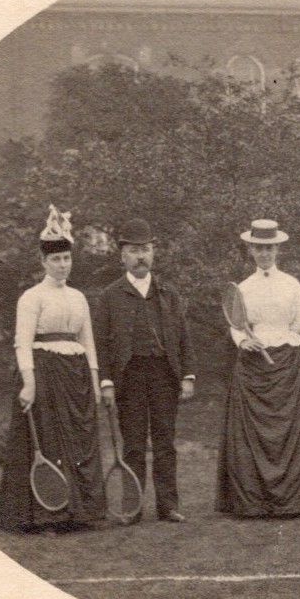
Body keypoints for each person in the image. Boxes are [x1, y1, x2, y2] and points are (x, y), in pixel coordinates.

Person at [0, 205, 106, 533]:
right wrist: (28, 384)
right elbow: (22, 343)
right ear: (43, 262)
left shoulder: (79, 297)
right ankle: (47, 516)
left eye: (66, 259)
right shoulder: (31, 298)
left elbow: (88, 341)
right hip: (45, 375)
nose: (62, 265)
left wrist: (96, 380)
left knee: (80, 443)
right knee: (49, 443)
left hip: (77, 378)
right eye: (55, 260)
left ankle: (81, 513)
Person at [215, 219, 300, 518]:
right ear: (251, 250)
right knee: (250, 435)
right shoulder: (243, 288)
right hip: (252, 366)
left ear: (278, 248)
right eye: (258, 248)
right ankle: (254, 501)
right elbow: (237, 326)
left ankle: (294, 500)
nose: (264, 253)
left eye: (269, 248)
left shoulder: (292, 284)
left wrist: (285, 341)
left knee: (290, 432)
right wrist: (244, 342)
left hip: (287, 365)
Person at [94, 218, 197, 525]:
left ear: (153, 253)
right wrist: (107, 381)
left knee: (165, 442)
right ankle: (133, 506)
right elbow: (100, 343)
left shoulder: (169, 293)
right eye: (134, 250)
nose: (141, 256)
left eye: (146, 250)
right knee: (134, 444)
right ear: (122, 255)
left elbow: (183, 337)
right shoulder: (109, 296)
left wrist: (187, 376)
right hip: (129, 377)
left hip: (164, 375)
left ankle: (168, 506)